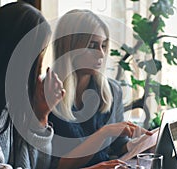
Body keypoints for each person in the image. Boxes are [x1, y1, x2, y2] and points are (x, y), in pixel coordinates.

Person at [0, 2, 128, 169]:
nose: (41, 65)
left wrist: (41, 117)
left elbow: (37, 166)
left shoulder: (8, 105)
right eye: (39, 54)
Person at [49, 9, 152, 169]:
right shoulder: (46, 94)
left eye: (103, 45)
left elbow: (119, 145)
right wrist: (104, 132)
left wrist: (143, 144)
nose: (101, 54)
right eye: (92, 46)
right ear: (70, 48)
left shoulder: (112, 90)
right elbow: (52, 165)